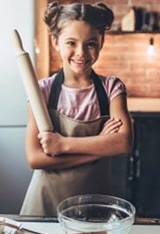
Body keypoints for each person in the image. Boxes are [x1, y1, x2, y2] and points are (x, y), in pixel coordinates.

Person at [20, 1, 133, 216]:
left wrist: (62, 145)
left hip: (95, 204)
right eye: (71, 42)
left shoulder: (111, 89)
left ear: (102, 42)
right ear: (56, 42)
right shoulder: (41, 91)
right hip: (45, 206)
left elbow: (123, 143)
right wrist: (99, 148)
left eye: (90, 43)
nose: (81, 52)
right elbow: (35, 158)